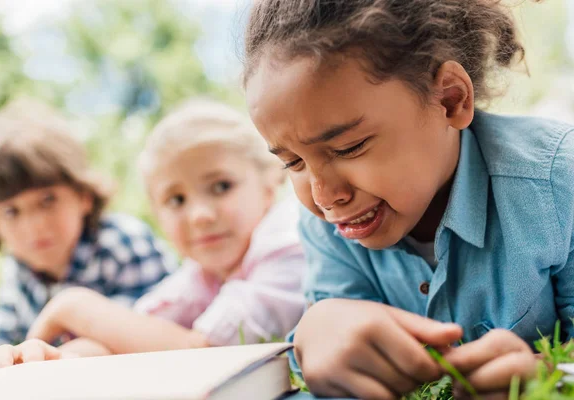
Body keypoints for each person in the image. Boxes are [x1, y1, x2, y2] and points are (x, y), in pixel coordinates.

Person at [241, 0, 573, 399]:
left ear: (450, 100)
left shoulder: (556, 184)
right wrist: (318, 331)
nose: (325, 196)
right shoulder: (325, 228)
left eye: (349, 147)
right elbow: (333, 342)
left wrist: (544, 371)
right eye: (293, 162)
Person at [0, 99, 307, 372]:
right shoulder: (201, 274)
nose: (199, 215)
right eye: (176, 200)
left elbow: (210, 351)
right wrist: (54, 359)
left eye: (221, 186)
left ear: (270, 180)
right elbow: (131, 336)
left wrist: (73, 307)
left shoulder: (287, 240)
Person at [0, 99, 170, 361]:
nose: (34, 225)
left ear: (83, 197)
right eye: (11, 211)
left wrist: (54, 359)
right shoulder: (20, 269)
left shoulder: (122, 242)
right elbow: (1, 341)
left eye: (47, 200)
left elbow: (151, 335)